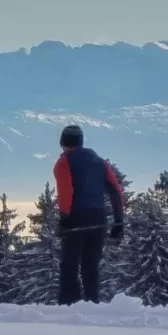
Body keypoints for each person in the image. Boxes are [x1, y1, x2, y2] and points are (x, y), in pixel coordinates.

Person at [53, 124, 125, 304]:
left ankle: (69, 306)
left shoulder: (64, 162)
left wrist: (64, 219)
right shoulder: (99, 162)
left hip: (76, 219)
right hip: (99, 219)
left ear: (63, 142)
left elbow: (66, 191)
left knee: (69, 266)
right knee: (90, 267)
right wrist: (118, 222)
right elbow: (115, 191)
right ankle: (92, 305)